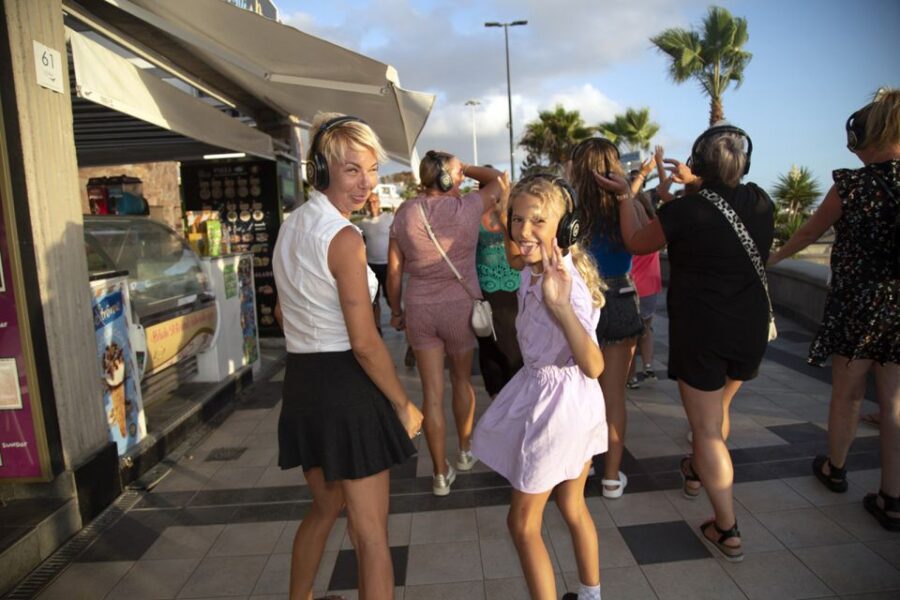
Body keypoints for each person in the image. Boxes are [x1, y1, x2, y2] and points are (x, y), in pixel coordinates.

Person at [604, 123, 775, 562]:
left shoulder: (685, 211)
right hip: (750, 327)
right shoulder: (760, 201)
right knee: (717, 416)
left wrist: (626, 195)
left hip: (703, 329)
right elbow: (719, 206)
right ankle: (697, 472)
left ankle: (727, 527)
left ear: (698, 164)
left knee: (706, 429)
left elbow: (636, 241)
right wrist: (692, 185)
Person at [273, 113, 423, 600]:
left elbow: (280, 311)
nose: (366, 182)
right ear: (323, 170)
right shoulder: (344, 238)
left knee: (323, 508)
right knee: (371, 537)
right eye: (352, 170)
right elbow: (364, 342)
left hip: (302, 383)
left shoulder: (291, 227)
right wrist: (402, 403)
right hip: (344, 386)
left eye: (372, 169)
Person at [768, 88, 899, 531]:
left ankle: (835, 468)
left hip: (857, 305)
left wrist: (772, 258)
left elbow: (808, 233)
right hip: (899, 306)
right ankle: (892, 497)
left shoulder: (854, 184)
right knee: (895, 404)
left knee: (848, 392)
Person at [472, 174, 607, 600]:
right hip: (568, 403)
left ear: (565, 228)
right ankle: (591, 596)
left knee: (522, 523)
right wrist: (499, 209)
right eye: (517, 221)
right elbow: (516, 258)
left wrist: (560, 306)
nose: (523, 232)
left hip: (560, 407)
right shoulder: (536, 265)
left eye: (537, 222)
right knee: (572, 505)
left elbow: (594, 364)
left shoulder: (567, 286)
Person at [387, 152, 503, 496]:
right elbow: (498, 179)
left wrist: (396, 310)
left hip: (421, 309)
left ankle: (439, 474)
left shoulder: (406, 212)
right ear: (447, 179)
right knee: (463, 381)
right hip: (459, 309)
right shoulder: (466, 208)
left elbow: (394, 270)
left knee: (432, 394)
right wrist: (466, 168)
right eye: (457, 174)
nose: (463, 179)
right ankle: (464, 452)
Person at [567, 137, 643, 499]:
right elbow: (642, 241)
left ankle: (576, 475)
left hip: (581, 302)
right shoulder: (625, 205)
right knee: (613, 396)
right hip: (621, 298)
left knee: (577, 394)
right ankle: (611, 477)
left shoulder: (568, 207)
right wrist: (627, 191)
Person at [476, 193, 524, 398]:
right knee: (489, 342)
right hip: (486, 290)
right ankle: (498, 395)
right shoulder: (474, 219)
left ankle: (511, 394)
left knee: (514, 343)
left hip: (514, 288)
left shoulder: (513, 216)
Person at [625, 147, 665, 389]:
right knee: (646, 328)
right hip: (651, 285)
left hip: (631, 285)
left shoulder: (628, 222)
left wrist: (642, 174)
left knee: (630, 335)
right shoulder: (654, 221)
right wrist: (658, 164)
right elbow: (665, 188)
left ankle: (630, 377)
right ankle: (648, 367)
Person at [357, 191, 393, 333]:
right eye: (370, 202)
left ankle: (402, 322)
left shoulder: (390, 218)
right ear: (366, 204)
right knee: (374, 298)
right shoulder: (362, 224)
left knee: (391, 297)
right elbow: (361, 244)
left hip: (388, 265)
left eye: (375, 201)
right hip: (371, 266)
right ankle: (377, 328)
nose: (372, 204)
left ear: (379, 203)